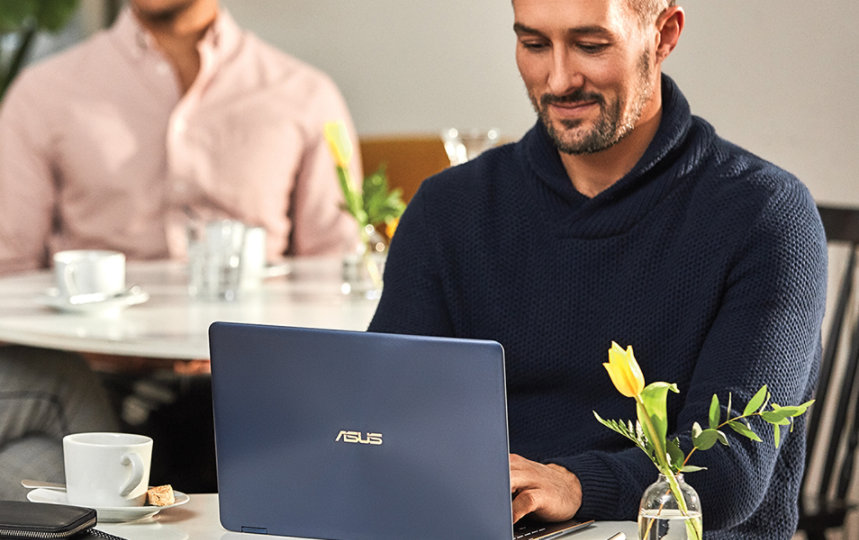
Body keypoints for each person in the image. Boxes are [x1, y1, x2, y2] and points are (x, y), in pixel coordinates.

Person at [368, 0, 827, 538]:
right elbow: (381, 419)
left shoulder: (765, 216)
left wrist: (574, 484)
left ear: (663, 35)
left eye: (590, 45)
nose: (559, 79)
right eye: (534, 44)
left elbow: (730, 468)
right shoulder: (448, 210)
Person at [0, 0, 361, 499]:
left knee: (24, 472)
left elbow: (336, 275)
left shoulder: (304, 94)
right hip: (96, 377)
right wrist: (98, 341)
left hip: (252, 383)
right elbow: (9, 273)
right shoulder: (44, 92)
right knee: (32, 468)